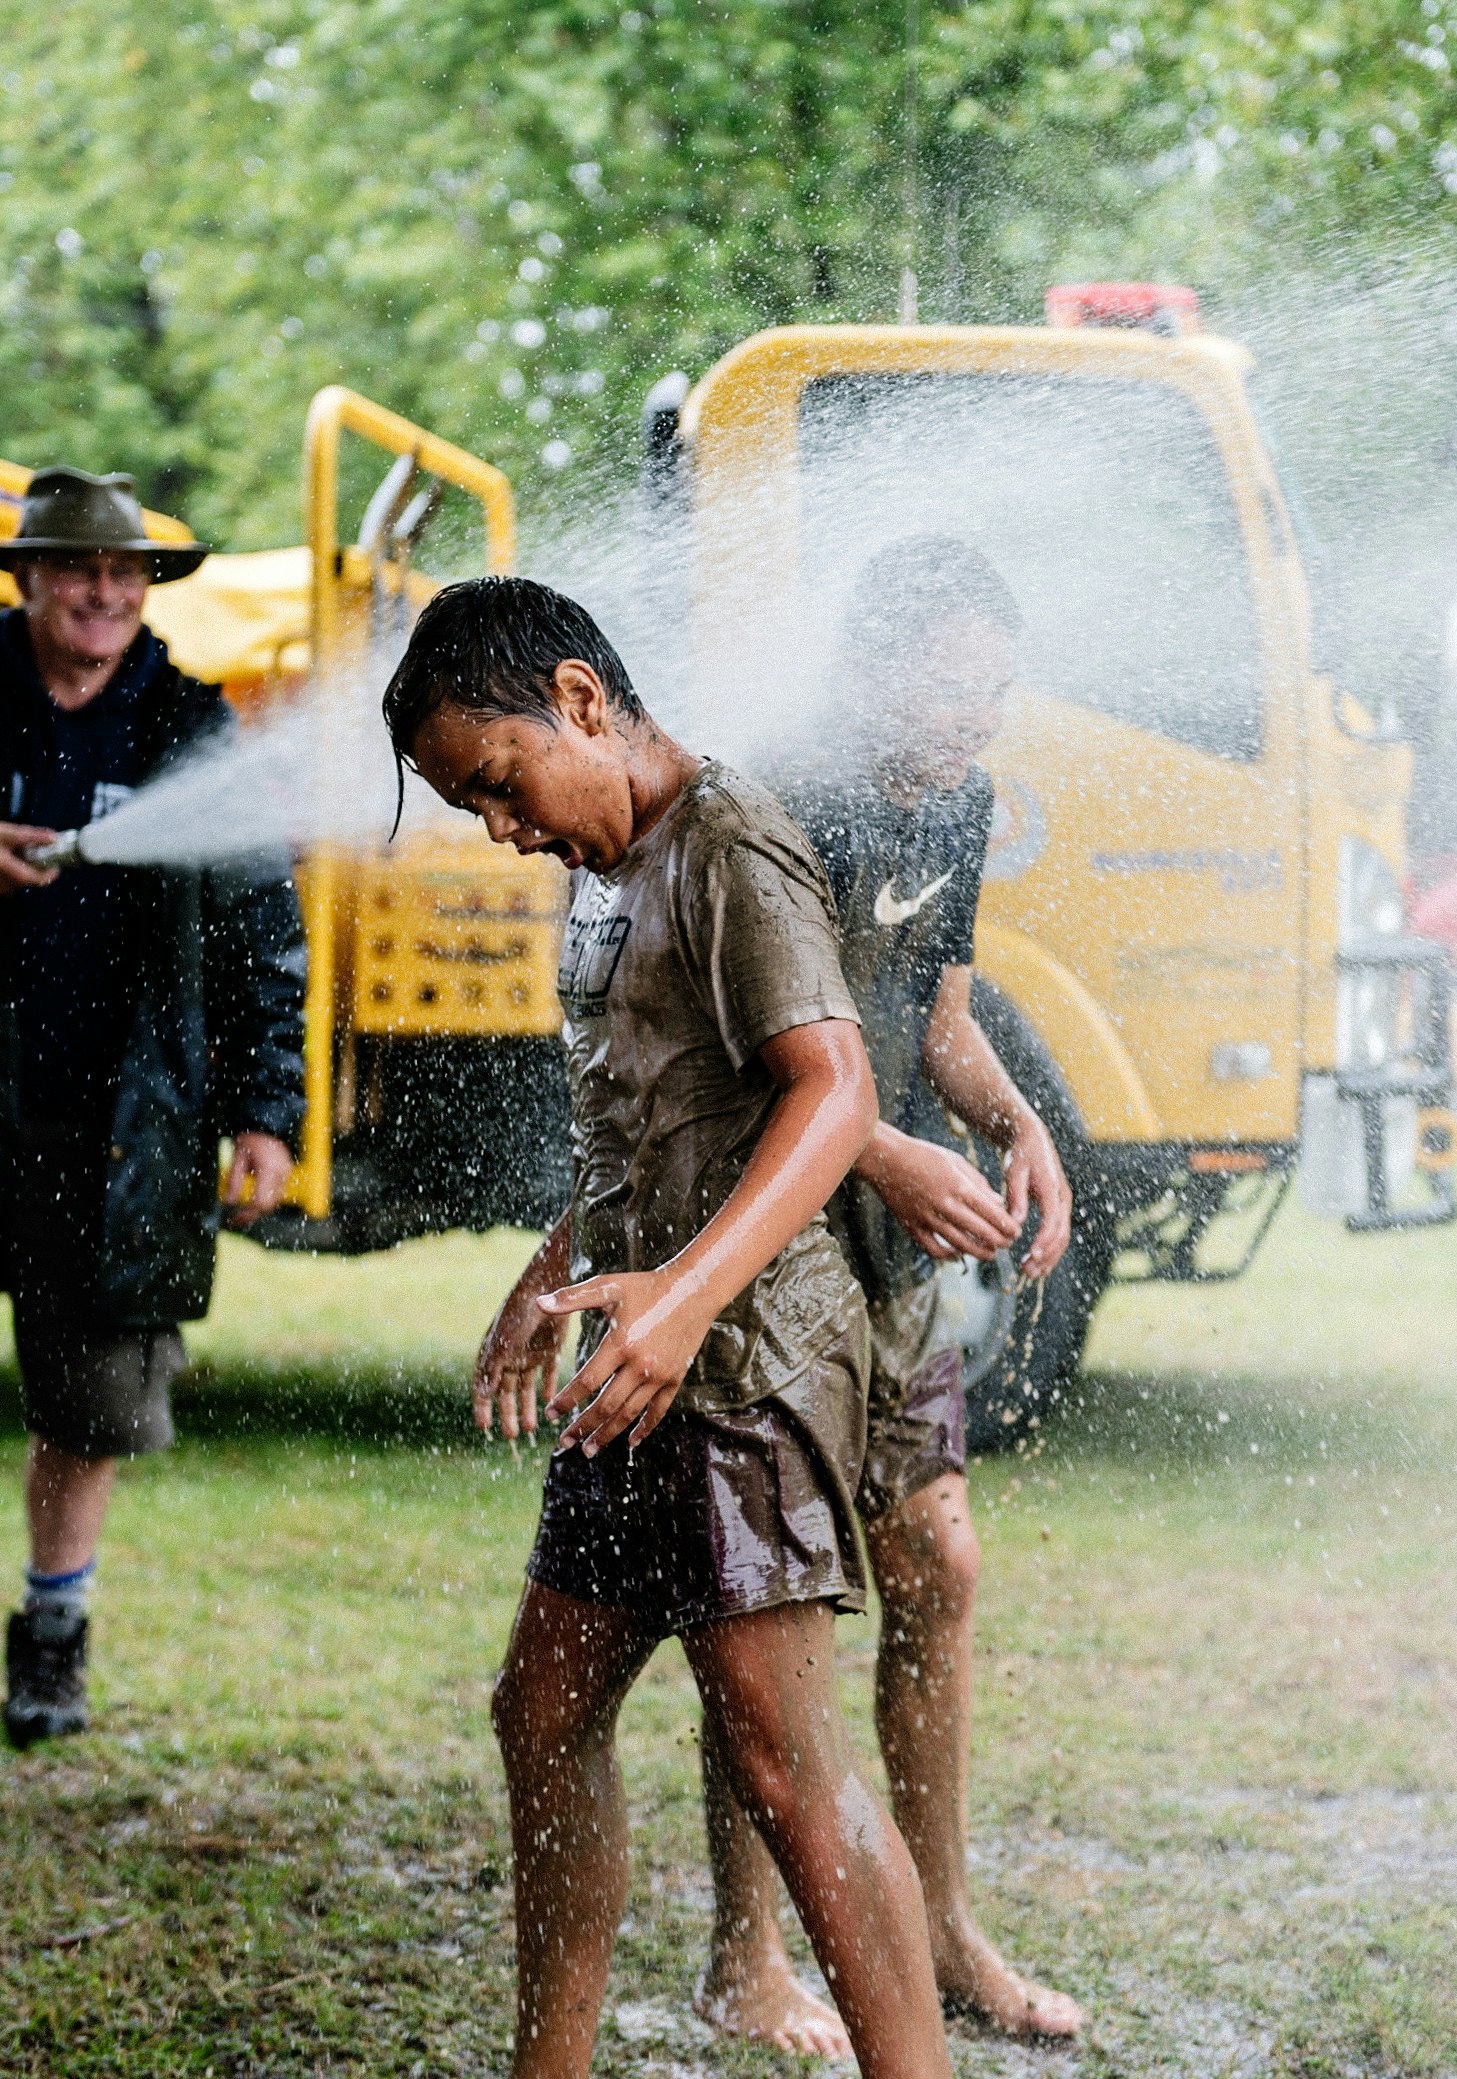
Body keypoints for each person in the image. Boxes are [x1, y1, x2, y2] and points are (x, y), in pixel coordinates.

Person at [383, 575, 954, 2079]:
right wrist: (554, 1262)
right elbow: (653, 1109)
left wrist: (683, 1296)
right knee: (540, 1710)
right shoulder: (611, 862)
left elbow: (833, 1091)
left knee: (780, 1755)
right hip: (639, 1359)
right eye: (471, 809)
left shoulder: (731, 845)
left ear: (579, 700)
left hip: (751, 1365)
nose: (502, 827)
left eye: (499, 784)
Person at [695, 535, 1083, 2055]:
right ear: (874, 665)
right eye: (955, 684)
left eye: (998, 687)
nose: (981, 718)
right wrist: (888, 1154)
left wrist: (1012, 1120)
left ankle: (947, 1923)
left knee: (937, 1560)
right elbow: (744, 1052)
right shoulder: (771, 795)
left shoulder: (964, 797)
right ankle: (748, 1953)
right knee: (767, 1603)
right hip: (764, 1237)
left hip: (887, 1251)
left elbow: (933, 1017)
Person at [0, 467, 306, 1749]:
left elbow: (259, 932)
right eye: (79, 569)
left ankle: (51, 1643)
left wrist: (265, 1110)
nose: (106, 592)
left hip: (120, 1132)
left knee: (92, 1406)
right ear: (25, 580)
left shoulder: (189, 728)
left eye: (126, 574)